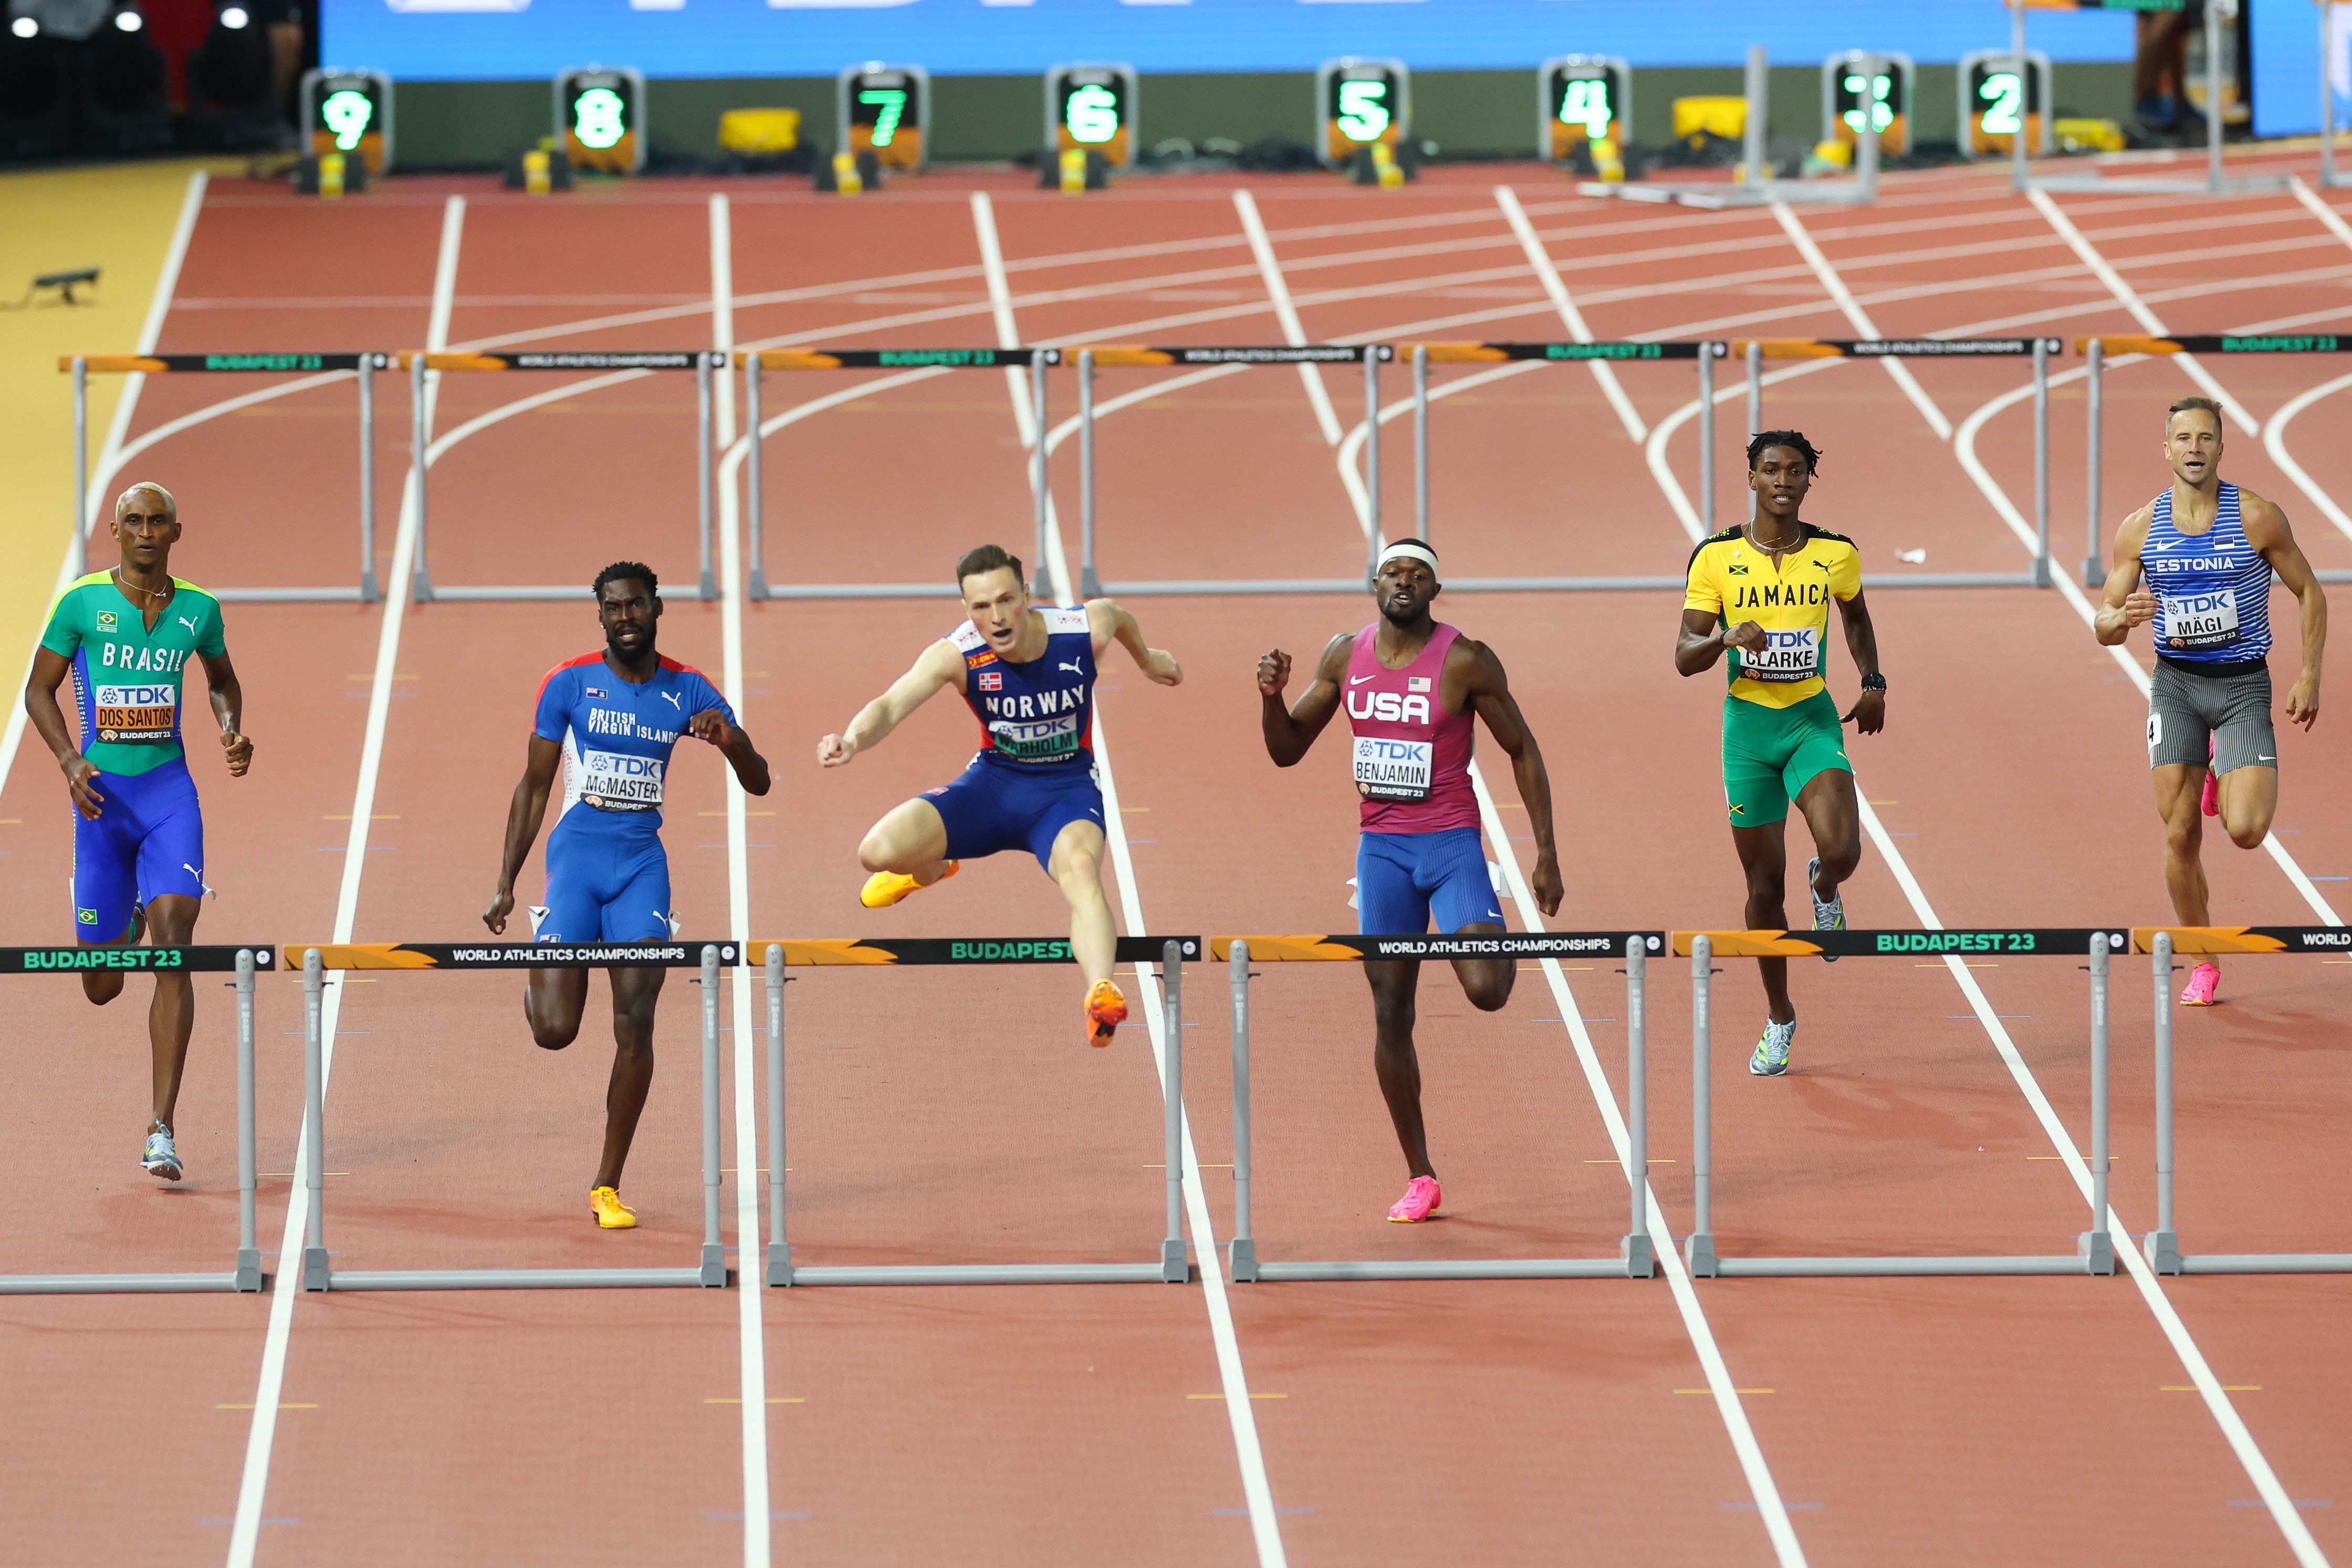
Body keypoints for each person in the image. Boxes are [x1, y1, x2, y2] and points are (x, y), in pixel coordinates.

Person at [1255, 538, 1562, 1223]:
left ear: (1433, 588)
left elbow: (1522, 748)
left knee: (1487, 990)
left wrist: (1543, 852)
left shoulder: (1464, 660)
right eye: (1393, 571)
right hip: (1382, 852)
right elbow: (1285, 751)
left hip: (1451, 845)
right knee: (1390, 1011)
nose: (1403, 581)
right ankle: (1419, 1174)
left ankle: (1483, 927)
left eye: (1417, 574)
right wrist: (1271, 699)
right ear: (1372, 583)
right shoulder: (1344, 654)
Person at [483, 562, 770, 1229]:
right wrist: (506, 881)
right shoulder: (569, 683)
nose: (625, 618)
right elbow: (532, 788)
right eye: (612, 608)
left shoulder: (688, 688)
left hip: (642, 867)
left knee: (635, 1023)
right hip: (576, 862)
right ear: (601, 616)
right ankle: (545, 953)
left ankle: (606, 1184)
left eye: (636, 605)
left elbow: (759, 782)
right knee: (555, 1031)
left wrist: (730, 743)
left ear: (657, 609)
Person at [819, 544, 1182, 1049]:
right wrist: (851, 740)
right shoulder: (957, 653)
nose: (996, 617)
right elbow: (890, 704)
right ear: (967, 610)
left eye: (1005, 600)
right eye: (980, 607)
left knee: (1081, 873)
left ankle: (1101, 990)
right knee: (876, 852)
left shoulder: (1080, 630)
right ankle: (932, 867)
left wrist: (1146, 659)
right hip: (992, 787)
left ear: (1027, 596)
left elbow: (1117, 615)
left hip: (1065, 792)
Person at [24, 481, 250, 1183]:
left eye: (158, 522)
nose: (146, 532)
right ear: (116, 532)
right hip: (99, 803)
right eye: (134, 522)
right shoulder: (81, 603)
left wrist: (227, 727)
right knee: (100, 984)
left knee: (176, 941)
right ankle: (113, 916)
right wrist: (68, 759)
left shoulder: (198, 611)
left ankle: (161, 1127)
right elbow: (38, 689)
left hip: (167, 795)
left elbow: (222, 680)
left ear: (176, 533)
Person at [2096, 395, 2327, 1006]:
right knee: (2179, 838)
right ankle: (2205, 959)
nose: (2194, 448)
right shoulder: (2140, 528)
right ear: (2166, 449)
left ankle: (2220, 774)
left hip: (2242, 687)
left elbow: (2309, 592)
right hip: (2175, 686)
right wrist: (2123, 618)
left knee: (2248, 831)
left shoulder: (2257, 517)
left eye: (2205, 438)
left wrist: (2309, 675)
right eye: (2184, 438)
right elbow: (2103, 622)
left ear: (2221, 448)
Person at [1676, 433, 1884, 1077]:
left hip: (1810, 720)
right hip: (1747, 732)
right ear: (1751, 476)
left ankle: (1824, 886)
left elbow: (1856, 616)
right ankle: (1779, 1016)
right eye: (1771, 470)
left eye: (1795, 471)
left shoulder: (1834, 552)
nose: (1783, 480)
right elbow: (1684, 657)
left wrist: (1872, 682)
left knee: (1843, 850)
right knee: (1763, 888)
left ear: (1807, 480)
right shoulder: (1715, 558)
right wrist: (1725, 641)